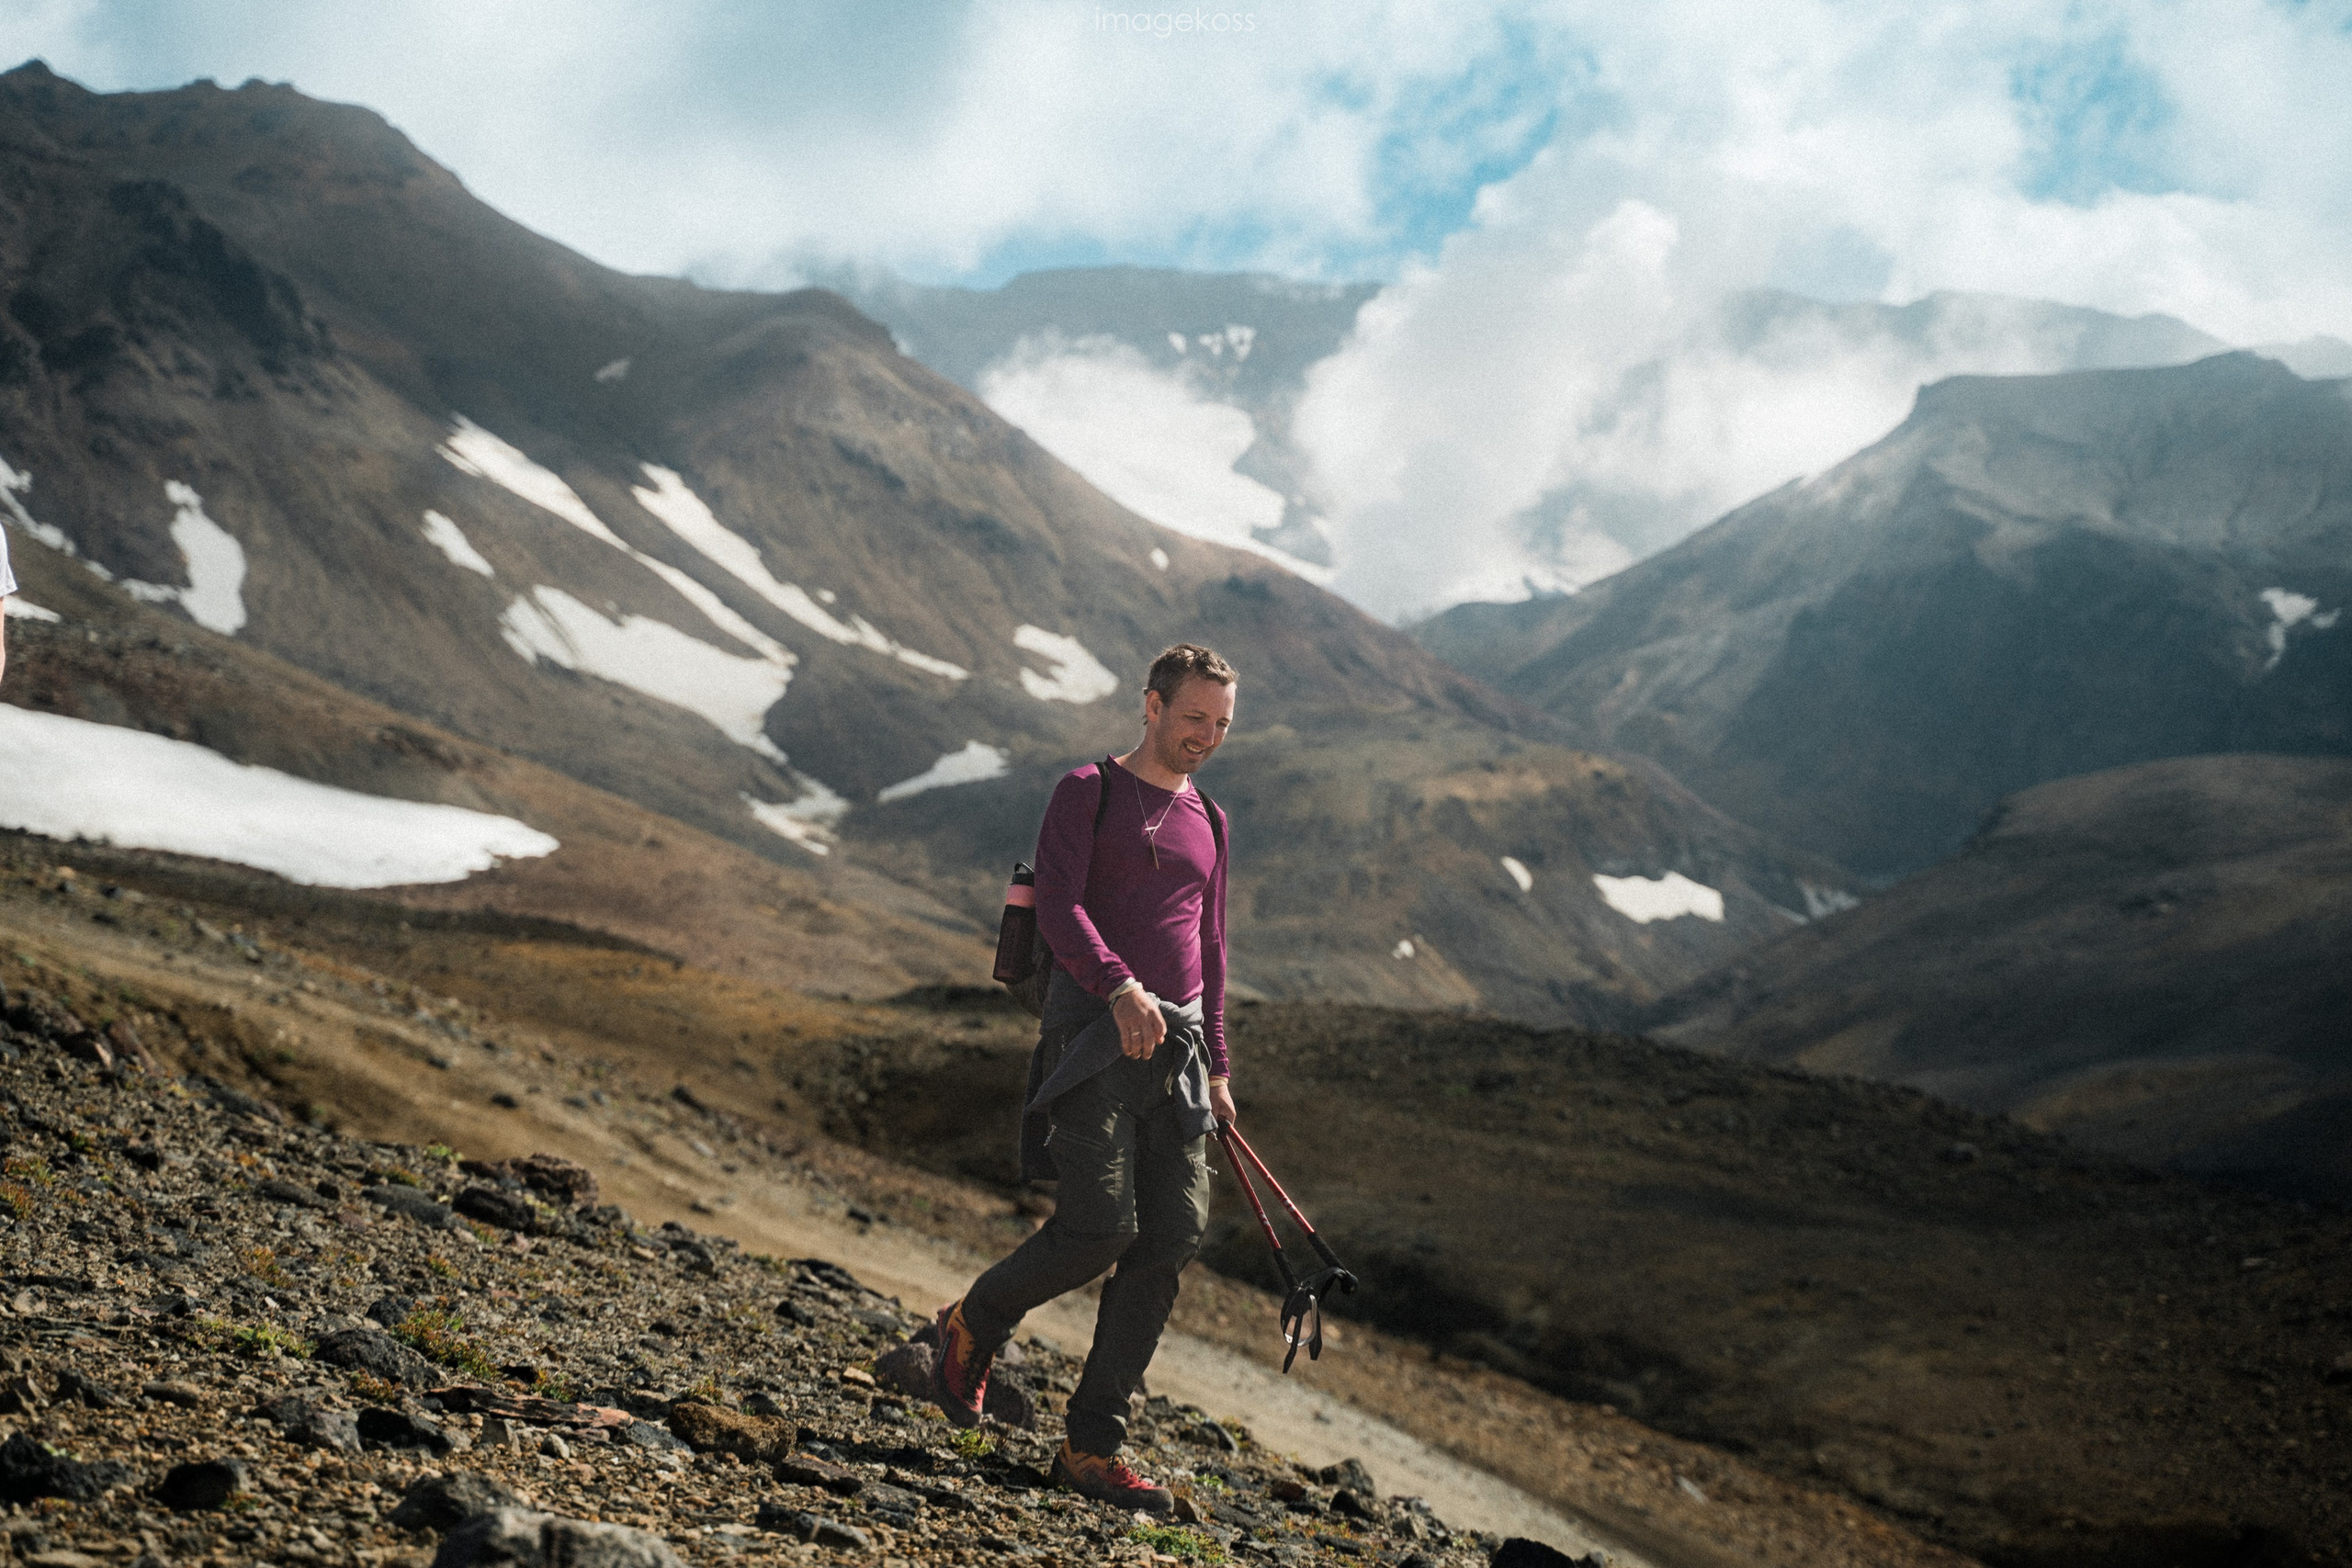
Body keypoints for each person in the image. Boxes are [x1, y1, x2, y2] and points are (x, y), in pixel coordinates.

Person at [931, 642, 1239, 1513]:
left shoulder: (1211, 819)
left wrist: (1216, 1061)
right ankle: (972, 1324)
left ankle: (1091, 1448)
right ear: (1150, 705)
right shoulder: (1086, 791)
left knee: (1171, 1235)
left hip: (1175, 1053)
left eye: (1220, 724)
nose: (1205, 737)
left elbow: (1212, 949)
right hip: (1093, 1038)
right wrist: (1120, 986)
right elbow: (1060, 903)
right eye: (1192, 718)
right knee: (1101, 1225)